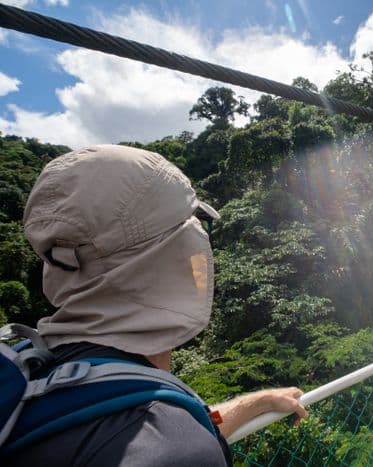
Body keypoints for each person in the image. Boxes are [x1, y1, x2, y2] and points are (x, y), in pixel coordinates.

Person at [8, 144, 307, 466]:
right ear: (176, 255)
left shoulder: (28, 371)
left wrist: (259, 402)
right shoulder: (174, 450)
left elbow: (179, 425)